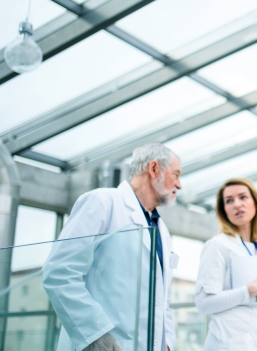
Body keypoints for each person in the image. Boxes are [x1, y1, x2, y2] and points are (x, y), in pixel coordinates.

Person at [43, 143, 182, 351]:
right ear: (153, 169)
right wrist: (96, 335)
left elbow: (163, 297)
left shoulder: (161, 229)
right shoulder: (102, 202)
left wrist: (167, 341)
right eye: (176, 174)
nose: (179, 185)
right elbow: (60, 272)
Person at [195, 178, 257, 351]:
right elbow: (204, 304)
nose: (237, 205)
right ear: (224, 210)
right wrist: (249, 290)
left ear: (255, 203)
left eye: (243, 197)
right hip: (229, 342)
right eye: (229, 201)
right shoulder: (218, 245)